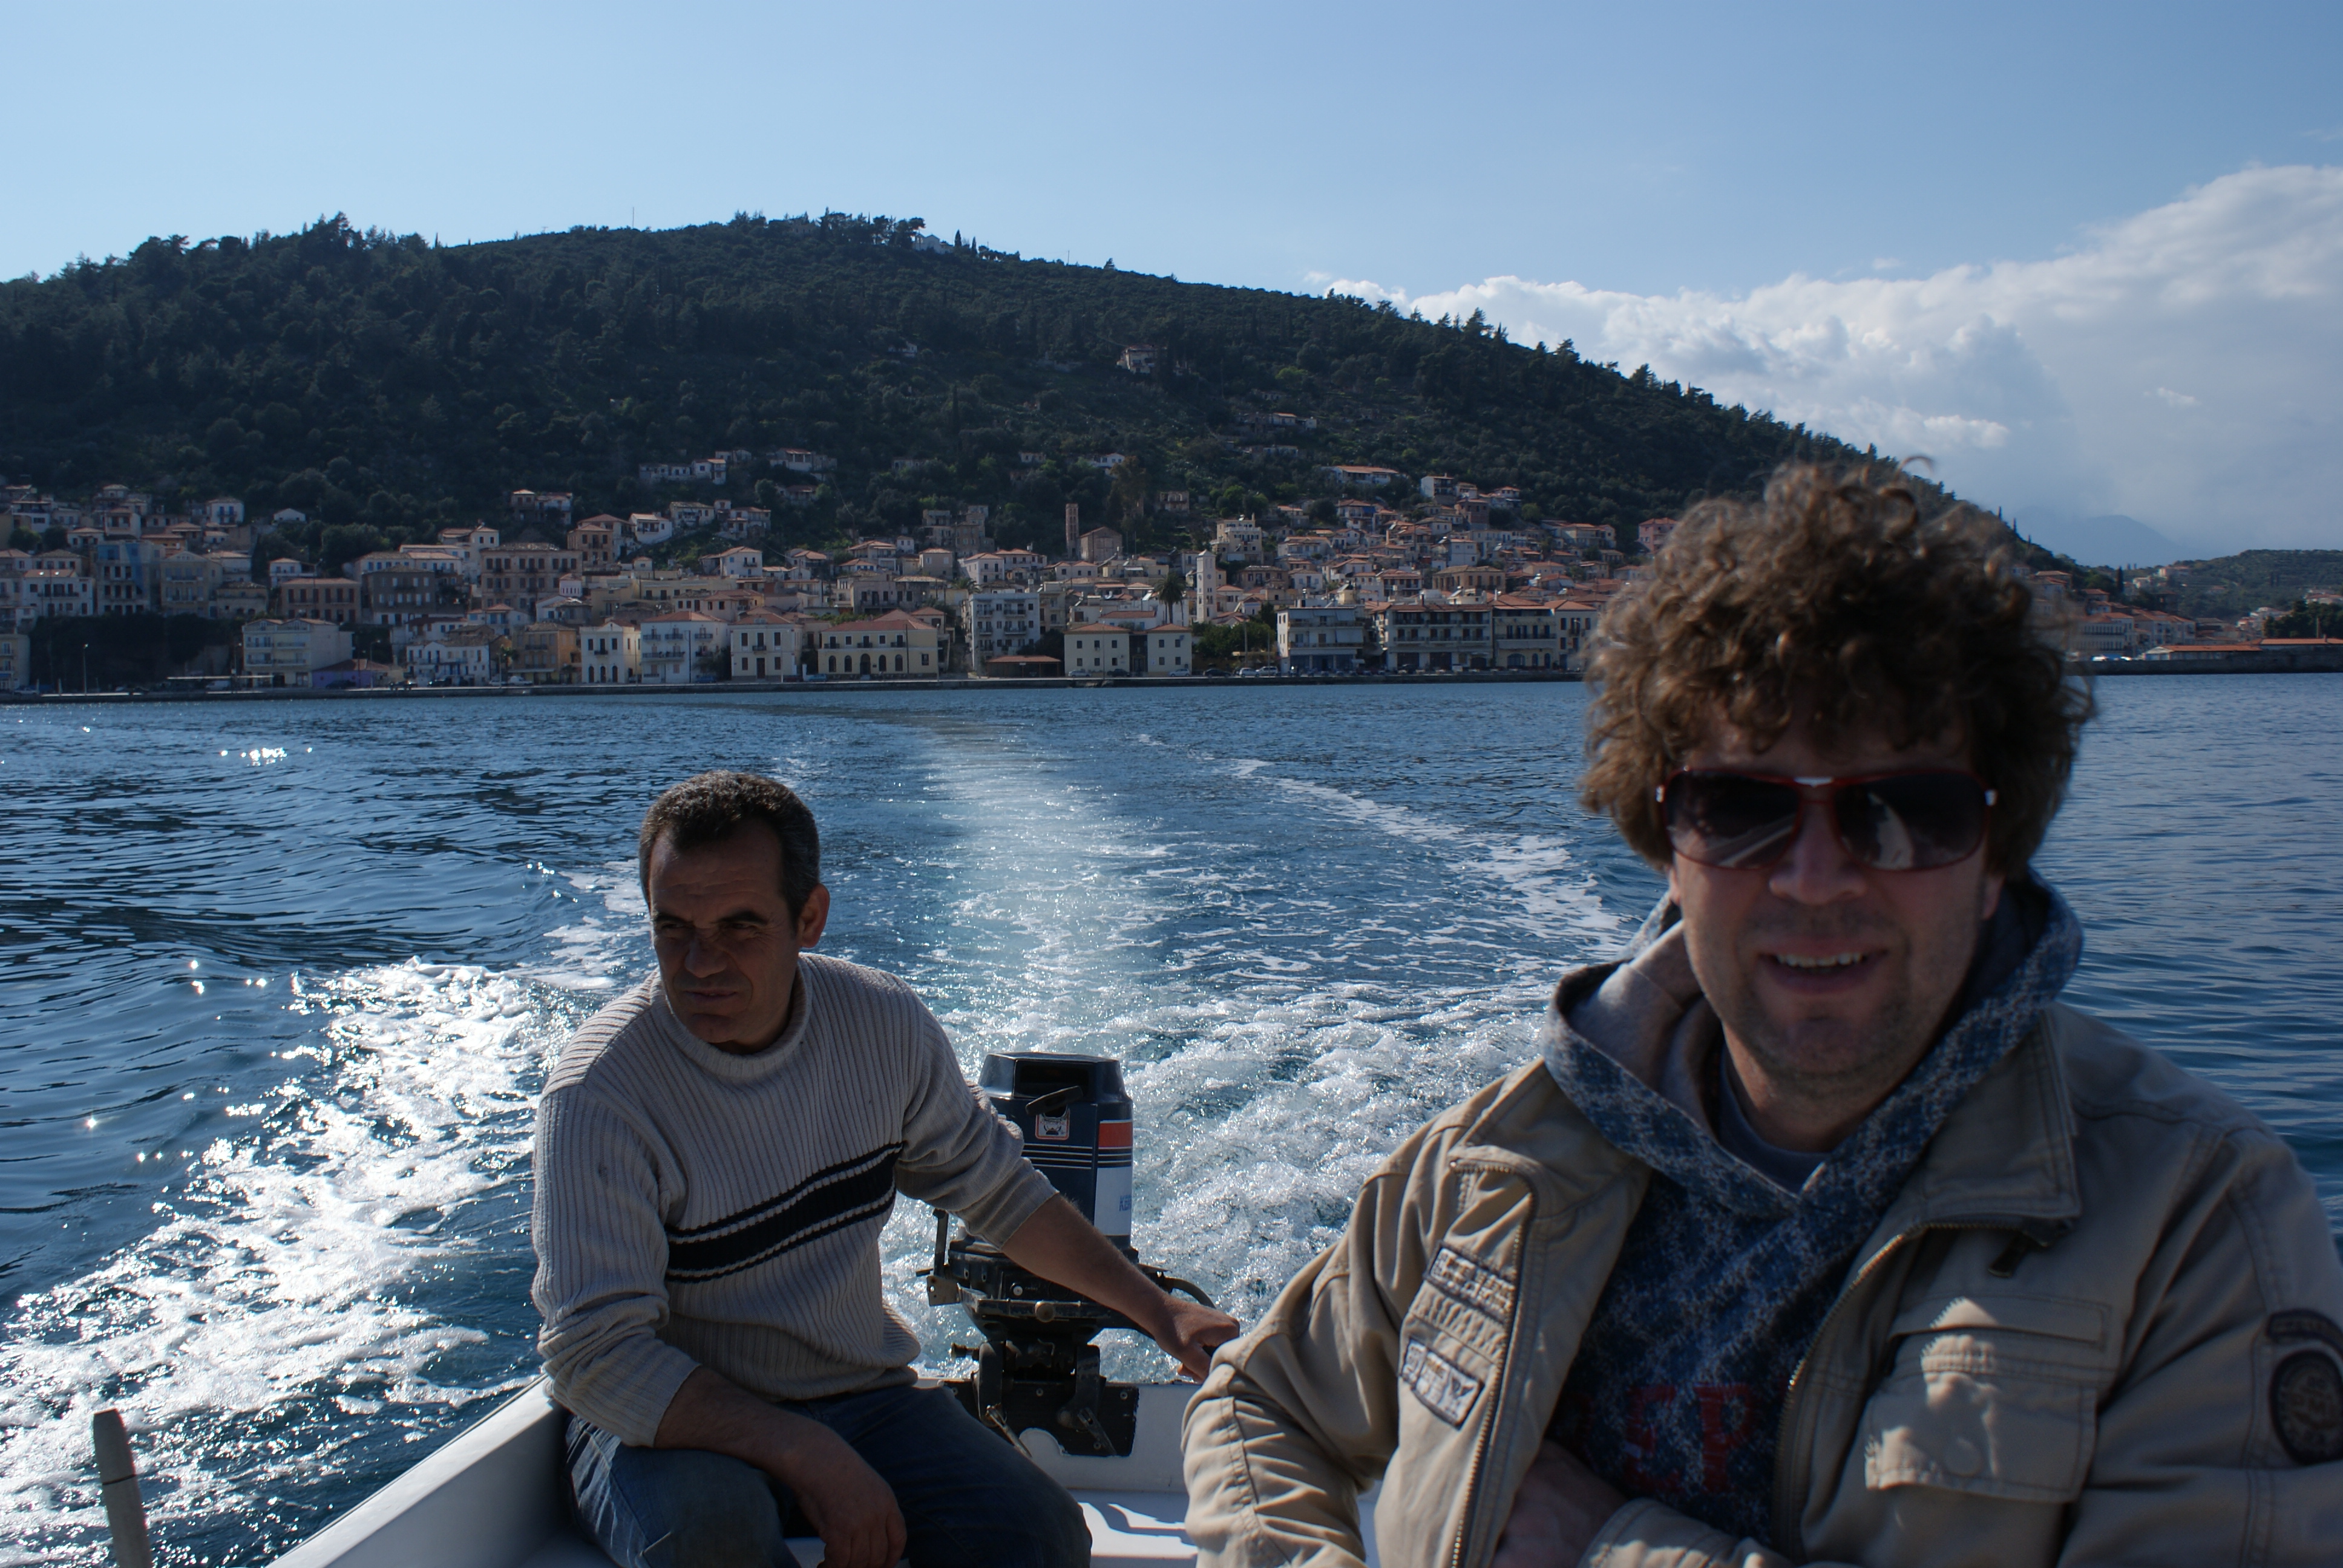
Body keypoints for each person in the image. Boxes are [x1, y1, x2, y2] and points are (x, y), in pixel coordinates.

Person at [1181, 465, 2343, 1567]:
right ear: (1666, 844)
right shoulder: (1505, 1161)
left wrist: (1608, 1549)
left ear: (1999, 853)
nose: (1815, 879)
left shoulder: (2193, 1229)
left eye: (1902, 810)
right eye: (1741, 808)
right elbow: (1257, 1403)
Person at [533, 770, 1237, 1568]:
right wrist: (805, 1452)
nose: (700, 962)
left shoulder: (880, 1025)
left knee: (1037, 1536)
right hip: (664, 1420)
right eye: (673, 928)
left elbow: (1002, 1194)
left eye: (739, 927)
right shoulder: (601, 1096)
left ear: (810, 919)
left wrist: (1160, 1313)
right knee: (712, 1543)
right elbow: (594, 1356)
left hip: (856, 1396)